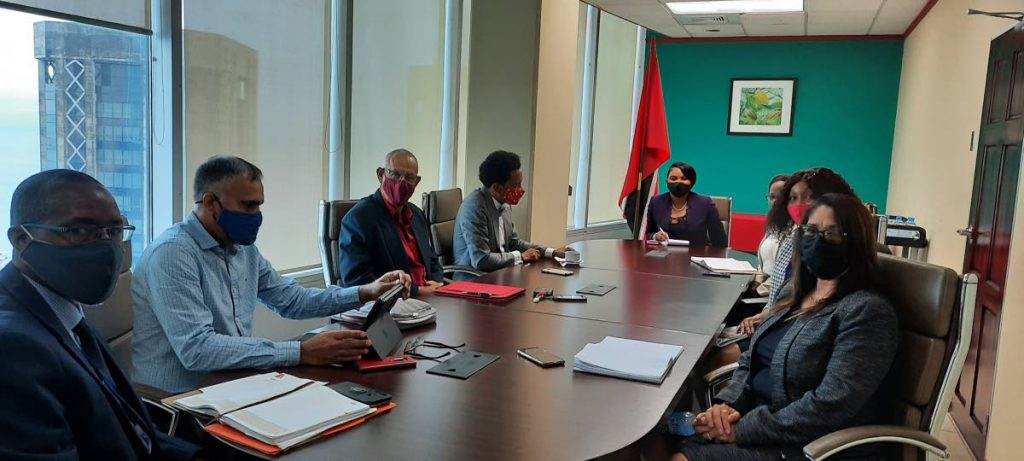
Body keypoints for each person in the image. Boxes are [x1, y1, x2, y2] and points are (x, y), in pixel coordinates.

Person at [132, 156, 411, 393]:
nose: (257, 215)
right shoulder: (173, 254)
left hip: (232, 385)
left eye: (259, 205)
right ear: (210, 203)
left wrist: (365, 292)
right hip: (182, 403)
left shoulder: (242, 249)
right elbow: (198, 350)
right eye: (248, 205)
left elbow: (293, 300)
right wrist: (302, 352)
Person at [671, 193, 898, 461]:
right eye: (811, 231)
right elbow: (749, 360)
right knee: (654, 438)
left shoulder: (867, 311)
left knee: (678, 457)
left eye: (832, 234)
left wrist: (741, 430)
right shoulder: (794, 293)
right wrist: (726, 406)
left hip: (808, 445)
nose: (818, 240)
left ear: (857, 242)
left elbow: (829, 407)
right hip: (756, 423)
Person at [0, 170, 200, 459]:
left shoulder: (62, 309)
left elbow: (131, 430)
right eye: (80, 231)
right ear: (21, 239)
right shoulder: (13, 347)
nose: (106, 245)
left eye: (114, 231)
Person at [737, 167, 858, 336]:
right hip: (776, 322)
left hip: (796, 332)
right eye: (793, 198)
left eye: (810, 197)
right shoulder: (794, 236)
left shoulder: (829, 248)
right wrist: (767, 314)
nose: (799, 206)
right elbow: (786, 298)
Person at [339, 149, 444, 296]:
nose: (402, 182)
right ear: (381, 175)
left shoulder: (417, 214)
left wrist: (438, 284)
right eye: (395, 174)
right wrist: (417, 291)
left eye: (409, 177)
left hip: (432, 299)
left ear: (417, 181)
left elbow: (431, 260)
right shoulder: (358, 219)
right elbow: (358, 281)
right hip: (393, 306)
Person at [453, 150, 571, 272]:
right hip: (474, 279)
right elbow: (481, 260)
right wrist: (520, 256)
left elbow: (514, 243)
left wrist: (551, 252)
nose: (521, 190)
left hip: (501, 272)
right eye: (516, 185)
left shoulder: (504, 204)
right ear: (497, 188)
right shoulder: (474, 208)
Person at [645, 162, 727, 247]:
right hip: (663, 256)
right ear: (667, 182)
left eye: (684, 179)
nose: (678, 182)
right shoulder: (656, 202)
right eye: (673, 178)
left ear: (691, 183)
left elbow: (719, 240)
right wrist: (655, 236)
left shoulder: (705, 204)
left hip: (696, 256)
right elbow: (650, 233)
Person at [756, 174, 789, 276]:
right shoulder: (773, 226)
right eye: (772, 197)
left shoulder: (795, 231)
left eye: (780, 197)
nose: (775, 202)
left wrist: (758, 290)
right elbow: (764, 267)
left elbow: (784, 276)